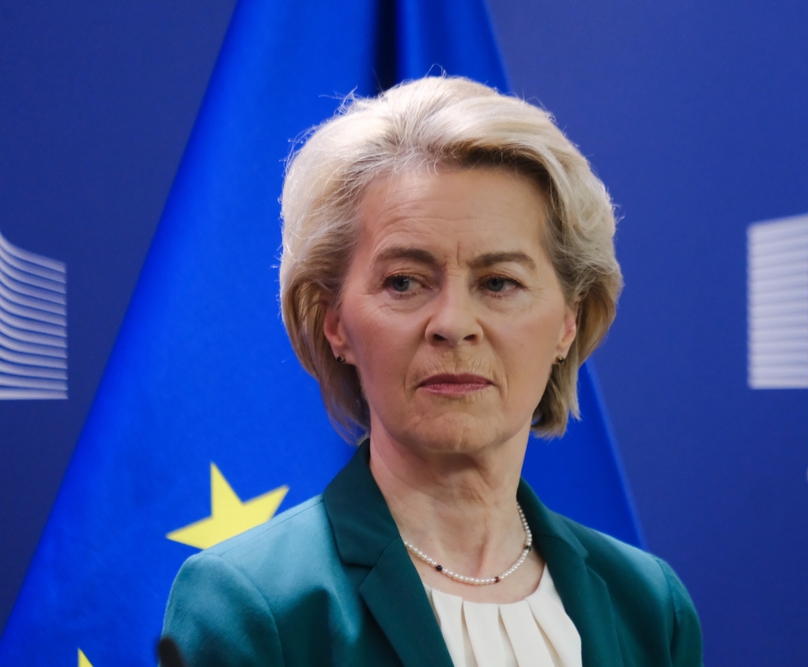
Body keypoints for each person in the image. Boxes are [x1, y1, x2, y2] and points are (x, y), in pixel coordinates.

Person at [162, 76, 702, 667]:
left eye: (500, 283)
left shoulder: (649, 605)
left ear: (568, 322)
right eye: (404, 282)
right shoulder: (252, 604)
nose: (453, 324)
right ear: (334, 321)